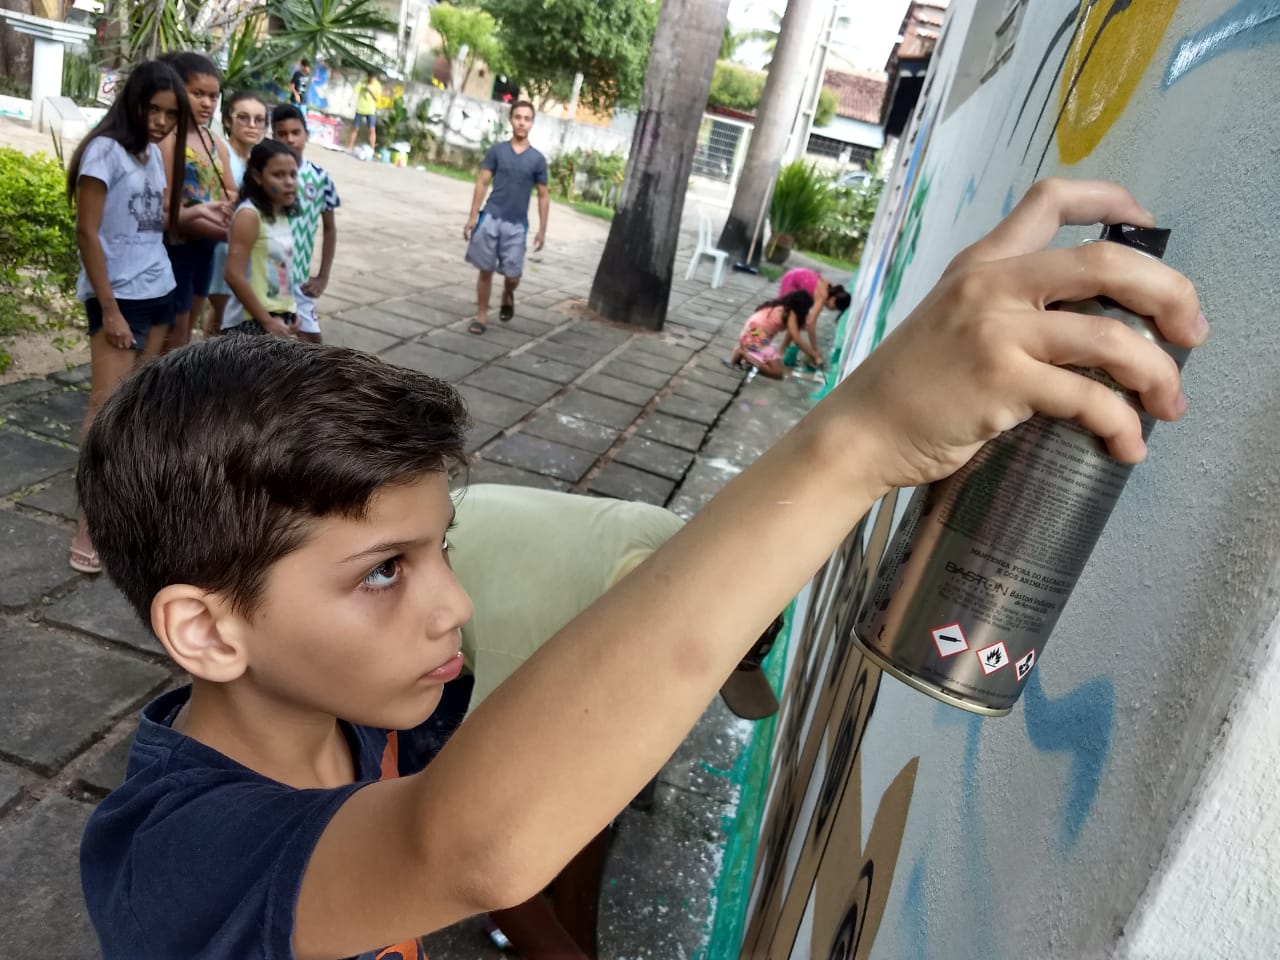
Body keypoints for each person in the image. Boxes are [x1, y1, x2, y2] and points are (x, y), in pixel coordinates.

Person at [76, 179, 1206, 960]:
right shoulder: (169, 862)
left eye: (441, 550)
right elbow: (465, 845)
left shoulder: (374, 715)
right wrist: (861, 437)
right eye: (383, 572)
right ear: (208, 630)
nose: (455, 603)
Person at [63, 60, 200, 574]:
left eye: (171, 114)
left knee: (138, 409)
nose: (162, 121)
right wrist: (109, 309)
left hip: (158, 288)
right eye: (153, 109)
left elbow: (152, 224)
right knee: (104, 410)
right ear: (132, 104)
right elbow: (87, 233)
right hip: (119, 298)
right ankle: (88, 525)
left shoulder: (150, 154)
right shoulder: (104, 151)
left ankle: (125, 516)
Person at [158, 51, 237, 352]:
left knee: (188, 330)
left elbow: (229, 190)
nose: (207, 103)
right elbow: (167, 207)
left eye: (213, 96)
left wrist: (232, 209)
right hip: (176, 249)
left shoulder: (215, 143)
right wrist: (223, 228)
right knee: (174, 336)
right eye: (198, 94)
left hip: (207, 250)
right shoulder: (168, 140)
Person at [463, 100, 549, 335]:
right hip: (491, 218)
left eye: (526, 118)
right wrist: (473, 216)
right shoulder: (497, 151)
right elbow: (482, 182)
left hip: (517, 225)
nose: (522, 122)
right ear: (511, 120)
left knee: (512, 275)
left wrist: (542, 229)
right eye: (518, 117)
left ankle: (508, 293)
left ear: (532, 123)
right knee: (485, 270)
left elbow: (543, 196)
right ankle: (481, 315)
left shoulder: (537, 160)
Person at [272, 103, 340, 344]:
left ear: (306, 134)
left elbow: (330, 229)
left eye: (295, 132)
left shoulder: (320, 179)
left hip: (299, 279)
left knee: (312, 343)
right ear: (273, 136)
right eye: (282, 133)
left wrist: (322, 276)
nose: (289, 139)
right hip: (267, 276)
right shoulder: (263, 175)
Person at [204, 91, 268, 338]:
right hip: (218, 244)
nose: (252, 125)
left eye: (259, 119)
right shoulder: (219, 153)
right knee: (222, 314)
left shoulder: (259, 160)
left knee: (221, 317)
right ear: (228, 120)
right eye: (243, 117)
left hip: (245, 248)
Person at [221, 140, 299, 336]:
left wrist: (291, 309)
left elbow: (280, 269)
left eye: (293, 174)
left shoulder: (280, 214)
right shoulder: (249, 215)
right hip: (249, 323)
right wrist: (267, 320)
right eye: (278, 175)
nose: (289, 182)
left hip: (278, 320)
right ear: (257, 176)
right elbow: (233, 274)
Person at [727, 290, 822, 379]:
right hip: (755, 336)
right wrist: (815, 355)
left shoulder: (781, 306)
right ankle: (742, 353)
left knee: (767, 364)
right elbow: (797, 340)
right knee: (777, 373)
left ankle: (745, 357)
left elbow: (802, 327)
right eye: (807, 309)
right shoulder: (790, 313)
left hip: (750, 334)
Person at [778, 267, 852, 366]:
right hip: (792, 280)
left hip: (795, 276)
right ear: (834, 299)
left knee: (796, 322)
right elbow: (810, 324)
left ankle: (782, 351)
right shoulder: (822, 296)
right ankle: (780, 351)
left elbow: (808, 323)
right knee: (789, 320)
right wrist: (814, 350)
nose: (832, 310)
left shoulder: (826, 288)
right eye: (835, 307)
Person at [346, 70, 381, 153]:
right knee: (355, 128)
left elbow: (377, 99)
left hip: (370, 110)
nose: (371, 80)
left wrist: (370, 91)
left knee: (372, 130)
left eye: (373, 79)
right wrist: (351, 100)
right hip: (360, 109)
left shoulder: (377, 85)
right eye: (370, 78)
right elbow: (355, 91)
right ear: (368, 77)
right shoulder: (362, 82)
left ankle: (372, 150)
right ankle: (349, 147)